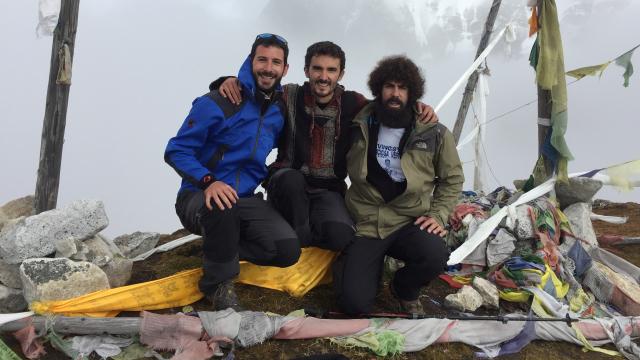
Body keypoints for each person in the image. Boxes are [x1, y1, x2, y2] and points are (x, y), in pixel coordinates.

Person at [213, 41, 438, 252]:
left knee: (341, 236)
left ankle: (297, 232)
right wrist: (230, 80)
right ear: (306, 70)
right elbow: (260, 89)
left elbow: (389, 107)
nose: (323, 77)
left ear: (341, 74)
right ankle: (296, 239)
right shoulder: (289, 95)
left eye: (331, 70)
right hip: (286, 185)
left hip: (328, 190)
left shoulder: (354, 104)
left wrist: (416, 106)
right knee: (292, 182)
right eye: (317, 69)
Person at [164, 33, 300, 311]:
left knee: (286, 250)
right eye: (262, 59)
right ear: (251, 61)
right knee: (222, 203)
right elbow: (176, 150)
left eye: (276, 62)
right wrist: (208, 181)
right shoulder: (219, 101)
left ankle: (217, 248)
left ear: (285, 69)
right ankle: (217, 285)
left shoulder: (278, 109)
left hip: (245, 198)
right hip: (199, 195)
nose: (268, 68)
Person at [333, 55, 464, 315]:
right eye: (389, 86)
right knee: (353, 304)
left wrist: (438, 214)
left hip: (409, 221)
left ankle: (404, 288)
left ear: (412, 93)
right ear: (378, 89)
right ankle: (361, 268)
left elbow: (452, 179)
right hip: (367, 223)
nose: (395, 94)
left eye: (402, 88)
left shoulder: (434, 133)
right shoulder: (358, 121)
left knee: (435, 254)